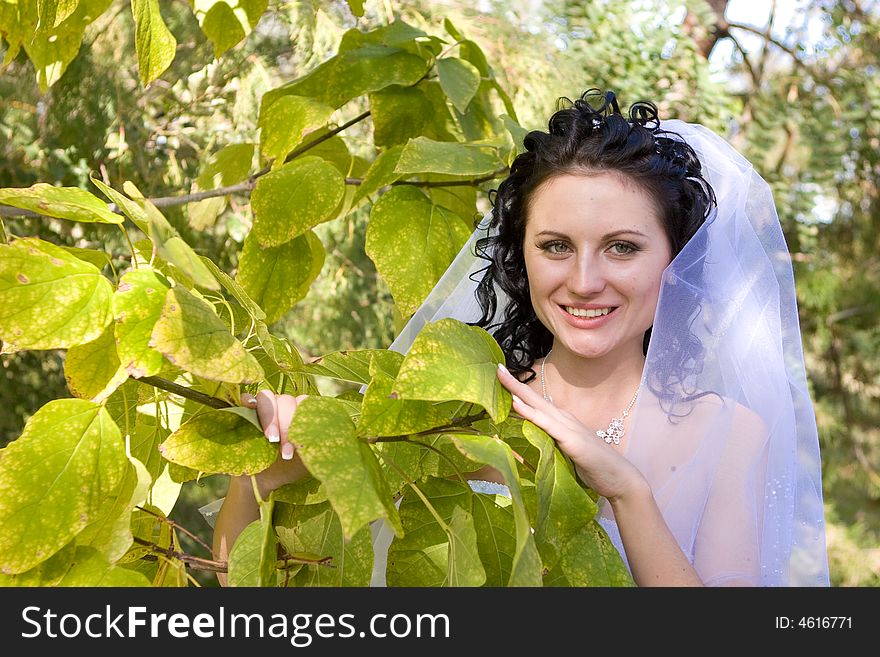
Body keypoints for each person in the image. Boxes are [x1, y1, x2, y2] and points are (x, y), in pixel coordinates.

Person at [212, 89, 830, 587]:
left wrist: (628, 492)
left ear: (676, 261)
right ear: (521, 258)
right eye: (556, 246)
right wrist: (264, 465)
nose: (585, 282)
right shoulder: (449, 406)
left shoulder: (731, 436)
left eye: (622, 247)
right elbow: (233, 577)